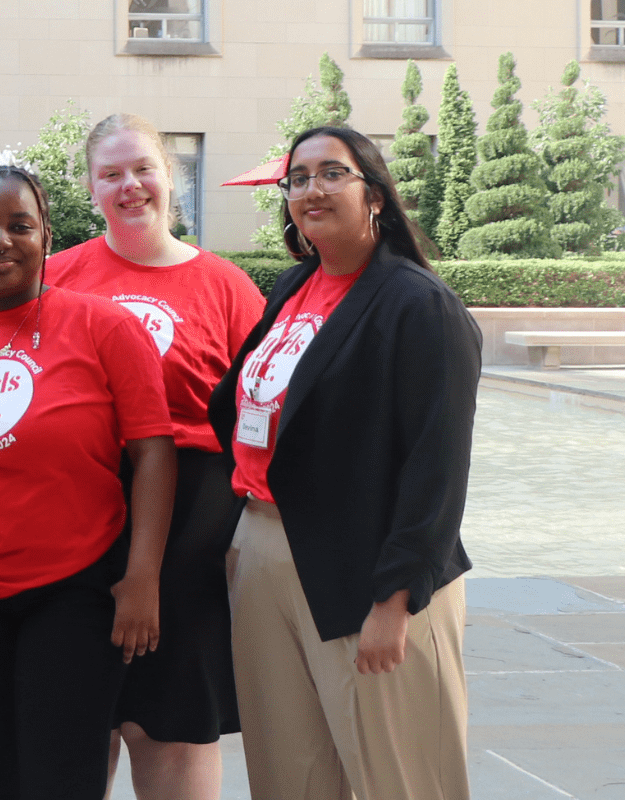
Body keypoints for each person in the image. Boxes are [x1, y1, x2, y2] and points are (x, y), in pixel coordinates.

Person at [0, 165, 175, 800]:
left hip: (75, 589)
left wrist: (143, 577)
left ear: (47, 235)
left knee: (61, 775)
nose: (0, 241)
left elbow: (154, 453)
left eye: (20, 225)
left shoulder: (104, 326)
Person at [213, 127, 479, 800]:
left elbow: (437, 467)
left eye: (332, 173)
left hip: (370, 570)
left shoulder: (420, 305)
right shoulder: (295, 285)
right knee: (289, 775)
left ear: (376, 195)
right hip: (267, 545)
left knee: (402, 777)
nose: (312, 189)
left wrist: (395, 601)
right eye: (298, 179)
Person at [44, 114, 263, 800]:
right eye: (111, 174)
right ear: (90, 188)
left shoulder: (226, 286)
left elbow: (260, 413)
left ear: (170, 177)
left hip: (190, 535)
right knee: (78, 723)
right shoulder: (57, 277)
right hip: (76, 523)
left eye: (142, 168)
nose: (129, 186)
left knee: (174, 722)